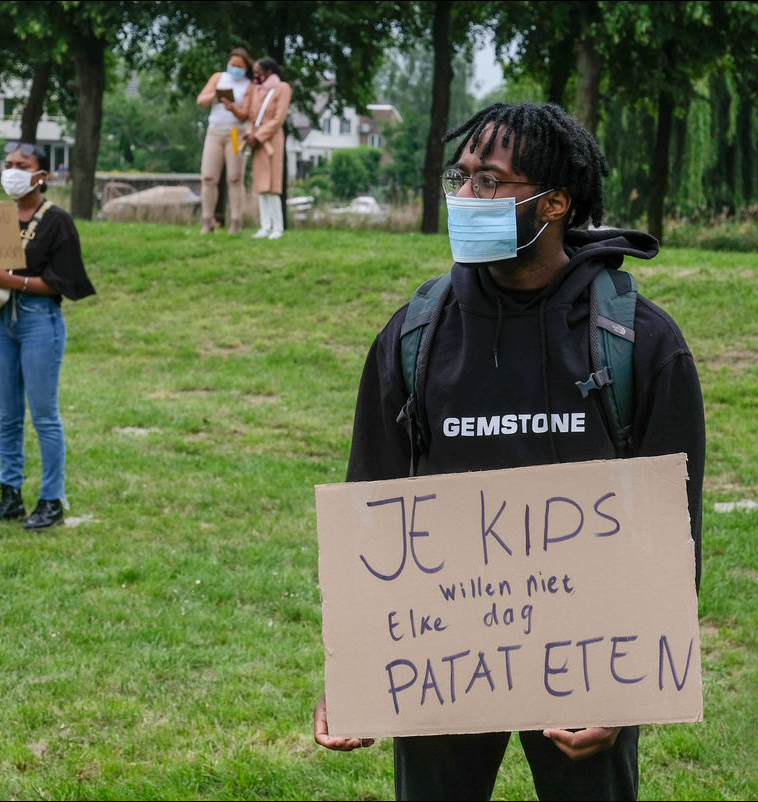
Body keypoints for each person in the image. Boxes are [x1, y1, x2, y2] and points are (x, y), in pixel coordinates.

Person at [312, 101, 705, 802]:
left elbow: (672, 534)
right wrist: (356, 667)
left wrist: (627, 689)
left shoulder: (639, 342)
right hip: (443, 648)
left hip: (589, 660)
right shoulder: (416, 333)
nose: (467, 199)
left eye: (490, 182)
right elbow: (368, 501)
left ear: (554, 203)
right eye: (460, 179)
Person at [0, 142, 96, 530]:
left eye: (21, 165)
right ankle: (10, 495)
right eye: (7, 164)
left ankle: (51, 500)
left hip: (38, 320)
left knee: (44, 416)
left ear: (40, 175)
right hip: (0, 323)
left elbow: (62, 282)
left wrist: (9, 280)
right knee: (8, 416)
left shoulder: (56, 220)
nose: (11, 171)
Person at [196, 47, 253, 235]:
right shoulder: (218, 78)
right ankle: (207, 220)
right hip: (214, 132)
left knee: (235, 178)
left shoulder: (249, 85)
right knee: (208, 177)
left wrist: (232, 108)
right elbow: (201, 100)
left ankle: (236, 221)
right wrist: (216, 95)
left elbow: (245, 115)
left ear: (246, 67)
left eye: (239, 65)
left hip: (236, 133)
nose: (235, 68)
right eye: (232, 64)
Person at [242, 57, 292, 240]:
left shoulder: (282, 89)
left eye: (258, 72)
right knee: (261, 186)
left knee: (272, 186)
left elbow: (278, 119)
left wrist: (259, 135)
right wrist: (249, 135)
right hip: (257, 143)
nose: (255, 76)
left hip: (272, 141)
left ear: (268, 71)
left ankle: (277, 227)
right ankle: (265, 226)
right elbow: (252, 117)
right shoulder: (256, 90)